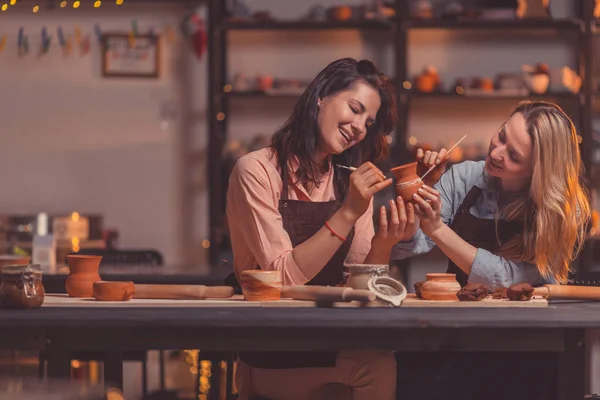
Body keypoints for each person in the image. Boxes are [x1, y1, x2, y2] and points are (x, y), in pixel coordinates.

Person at [226, 58, 403, 400]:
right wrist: (348, 211)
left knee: (405, 359)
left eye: (368, 122)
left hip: (329, 338)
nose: (359, 127)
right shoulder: (256, 171)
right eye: (354, 108)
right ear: (321, 96)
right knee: (377, 366)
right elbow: (283, 276)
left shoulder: (348, 181)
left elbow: (360, 283)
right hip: (270, 349)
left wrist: (386, 241)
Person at [390, 100, 592, 400]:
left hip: (528, 345)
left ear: (538, 170)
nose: (496, 153)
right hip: (456, 333)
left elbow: (505, 278)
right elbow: (416, 244)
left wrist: (438, 229)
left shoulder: (562, 210)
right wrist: (414, 209)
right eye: (501, 136)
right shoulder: (465, 177)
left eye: (513, 155)